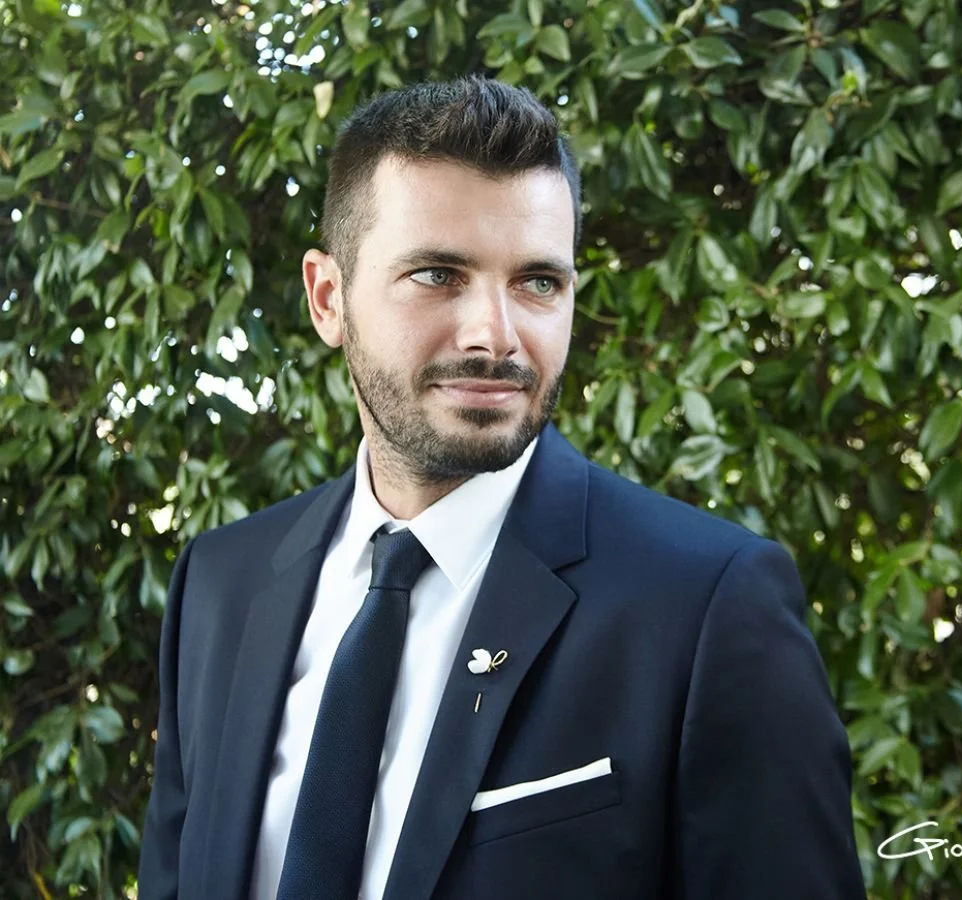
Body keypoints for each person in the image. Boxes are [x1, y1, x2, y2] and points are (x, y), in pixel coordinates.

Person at [137, 74, 864, 900]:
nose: (496, 334)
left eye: (538, 282)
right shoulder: (220, 583)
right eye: (439, 275)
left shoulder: (708, 609)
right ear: (328, 297)